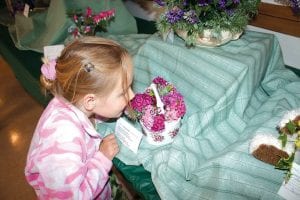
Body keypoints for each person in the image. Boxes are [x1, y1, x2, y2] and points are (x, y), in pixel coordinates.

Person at [25, 36, 135, 199]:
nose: (131, 96)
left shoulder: (76, 100)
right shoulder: (62, 142)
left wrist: (116, 106)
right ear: (90, 100)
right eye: (123, 92)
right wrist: (102, 159)